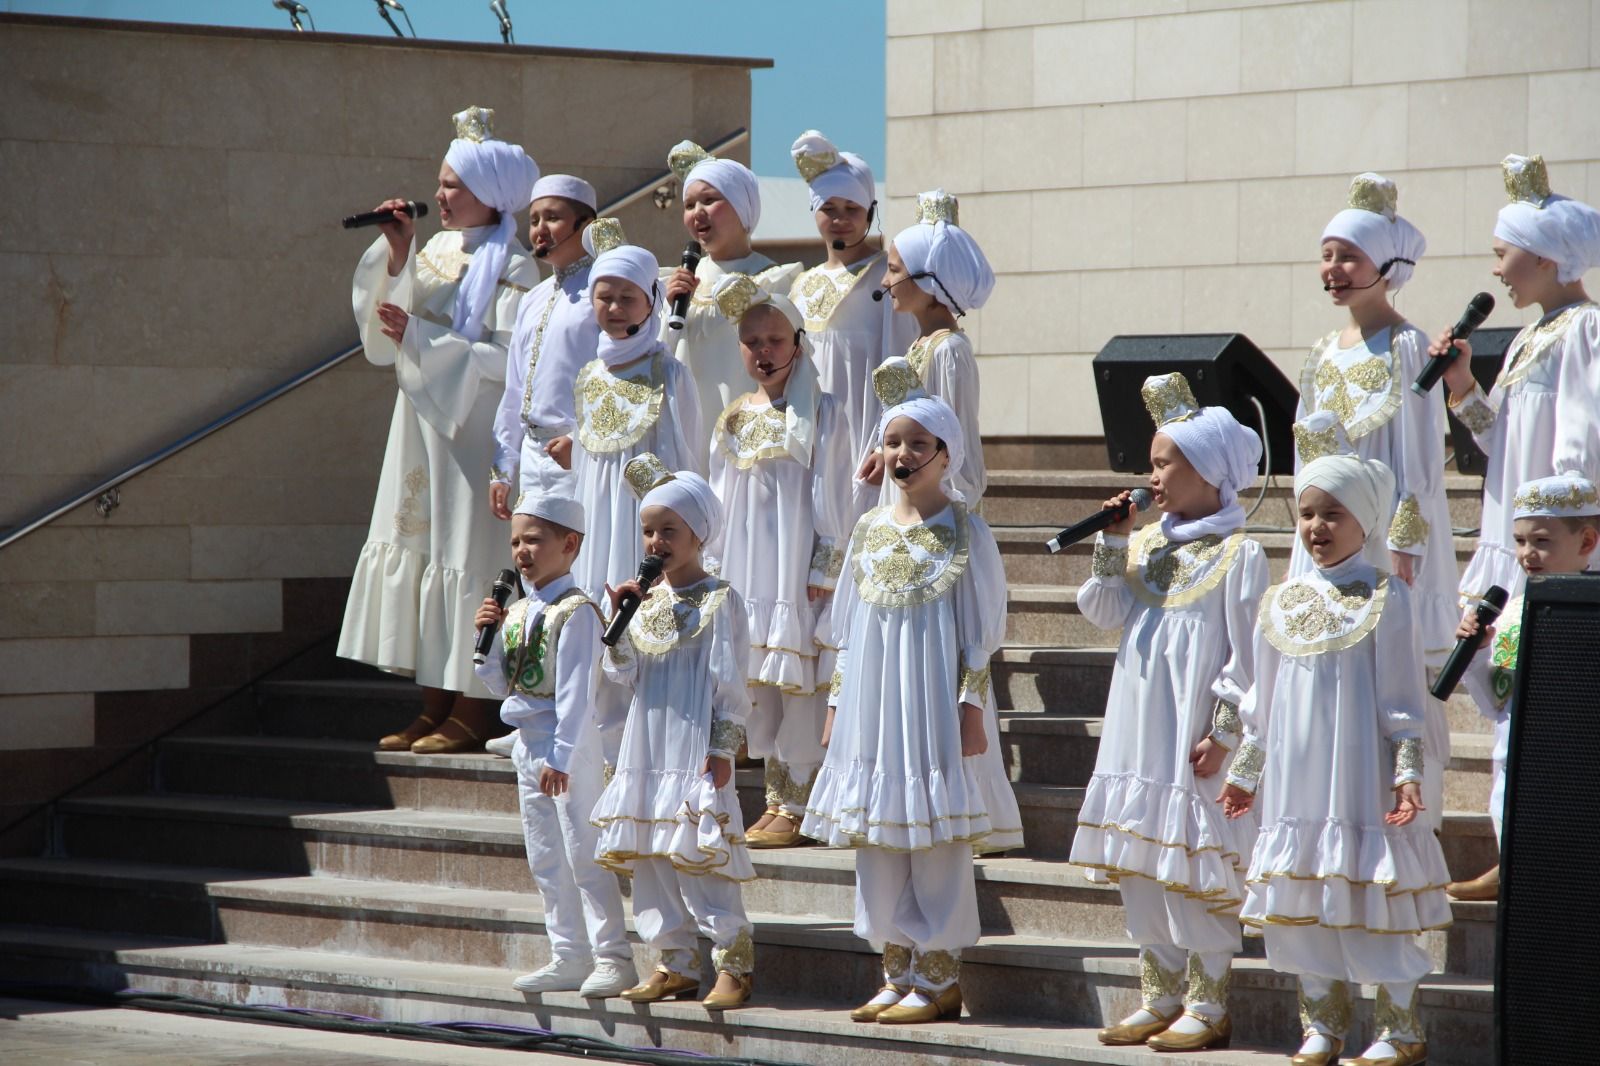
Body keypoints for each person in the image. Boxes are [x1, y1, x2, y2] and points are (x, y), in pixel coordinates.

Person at [1220, 454, 1452, 1066]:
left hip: (1359, 781)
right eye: (1306, 513)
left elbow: (1403, 701)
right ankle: (1322, 1020)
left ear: (1365, 521)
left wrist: (1406, 776)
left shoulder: (1386, 598)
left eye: (1334, 514)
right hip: (1297, 784)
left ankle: (1399, 1026)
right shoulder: (1279, 601)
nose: (1317, 526)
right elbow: (1262, 704)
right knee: (1302, 903)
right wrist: (1246, 773)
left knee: (1372, 894)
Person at [802, 393, 1022, 1025]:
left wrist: (972, 708)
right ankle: (895, 970)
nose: (903, 455)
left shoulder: (965, 528)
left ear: (946, 455)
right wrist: (838, 705)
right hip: (874, 701)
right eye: (893, 442)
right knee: (876, 833)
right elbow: (847, 627)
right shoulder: (869, 529)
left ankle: (939, 973)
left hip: (931, 701)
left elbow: (981, 630)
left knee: (936, 837)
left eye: (918, 444)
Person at [1071, 373, 1269, 1052]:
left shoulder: (1240, 555)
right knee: (1140, 863)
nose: (1152, 476)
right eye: (1152, 463)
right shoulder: (1150, 544)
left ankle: (1209, 1002)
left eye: (1165, 463)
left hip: (1191, 733)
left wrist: (1223, 733)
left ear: (1207, 468)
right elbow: (1103, 610)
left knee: (1193, 864)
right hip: (1136, 724)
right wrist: (1113, 542)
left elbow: (1246, 660)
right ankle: (1159, 993)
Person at [341, 105, 538, 754]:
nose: (439, 196)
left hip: (474, 427)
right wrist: (399, 255)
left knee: (468, 555)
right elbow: (381, 336)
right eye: (441, 182)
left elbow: (511, 359)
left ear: (490, 193)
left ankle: (475, 706)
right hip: (424, 420)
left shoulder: (515, 265)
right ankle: (433, 702)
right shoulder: (440, 253)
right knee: (425, 549)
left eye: (452, 185)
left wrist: (425, 339)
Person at [590, 456, 756, 1012]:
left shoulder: (719, 599)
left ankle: (731, 960)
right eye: (648, 530)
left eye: (669, 530)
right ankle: (673, 960)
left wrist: (723, 746)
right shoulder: (644, 601)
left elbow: (729, 679)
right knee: (650, 855)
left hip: (692, 746)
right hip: (647, 741)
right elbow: (624, 673)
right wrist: (618, 628)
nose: (656, 540)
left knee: (697, 850)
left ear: (697, 533)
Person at [471, 464, 635, 999]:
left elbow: (576, 693)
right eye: (516, 541)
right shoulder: (517, 610)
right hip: (527, 744)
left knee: (582, 852)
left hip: (568, 746)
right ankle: (567, 952)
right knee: (545, 856)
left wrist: (562, 756)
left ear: (570, 544)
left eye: (535, 539)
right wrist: (488, 639)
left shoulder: (577, 611)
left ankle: (613, 956)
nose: (522, 551)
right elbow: (502, 684)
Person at [704, 274, 851, 847]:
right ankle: (775, 796)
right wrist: (715, 568)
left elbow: (833, 490)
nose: (763, 352)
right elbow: (721, 498)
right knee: (763, 680)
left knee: (801, 682)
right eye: (751, 342)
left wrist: (823, 564)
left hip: (796, 570)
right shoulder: (735, 415)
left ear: (797, 343)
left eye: (774, 340)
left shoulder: (823, 410)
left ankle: (800, 799)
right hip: (749, 568)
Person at [1436, 154, 1600, 606]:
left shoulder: (1585, 328)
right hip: (1516, 530)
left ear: (1544, 258)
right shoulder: (1528, 336)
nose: (1497, 269)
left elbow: (1582, 447)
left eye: (1502, 255)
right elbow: (1502, 439)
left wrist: (1554, 534)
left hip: (1548, 540)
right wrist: (1462, 384)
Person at [1448, 474, 1600, 901]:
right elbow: (1499, 699)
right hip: (1520, 761)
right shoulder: (1513, 612)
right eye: (1518, 541)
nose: (1526, 554)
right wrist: (1478, 652)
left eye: (1541, 542)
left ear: (1586, 541)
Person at [788, 130, 918, 521]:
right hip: (811, 440)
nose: (840, 219)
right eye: (829, 207)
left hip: (864, 433)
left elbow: (903, 362)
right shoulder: (801, 284)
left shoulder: (886, 275)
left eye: (852, 208)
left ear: (870, 212)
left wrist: (886, 443)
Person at [662, 140, 801, 449]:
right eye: (689, 205)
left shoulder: (774, 281)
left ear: (742, 207)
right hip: (688, 429)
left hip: (748, 430)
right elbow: (661, 356)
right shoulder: (680, 282)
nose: (698, 213)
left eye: (709, 200)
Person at [861, 189, 994, 508]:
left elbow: (956, 443)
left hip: (933, 510)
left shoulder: (949, 350)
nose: (884, 281)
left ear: (928, 279)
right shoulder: (920, 345)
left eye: (894, 270)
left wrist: (950, 511)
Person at [489, 174, 602, 511]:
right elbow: (514, 388)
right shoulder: (533, 298)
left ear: (586, 225)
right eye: (534, 219)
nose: (539, 228)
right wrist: (503, 465)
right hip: (532, 455)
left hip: (581, 452)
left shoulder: (606, 290)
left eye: (552, 217)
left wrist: (580, 443)